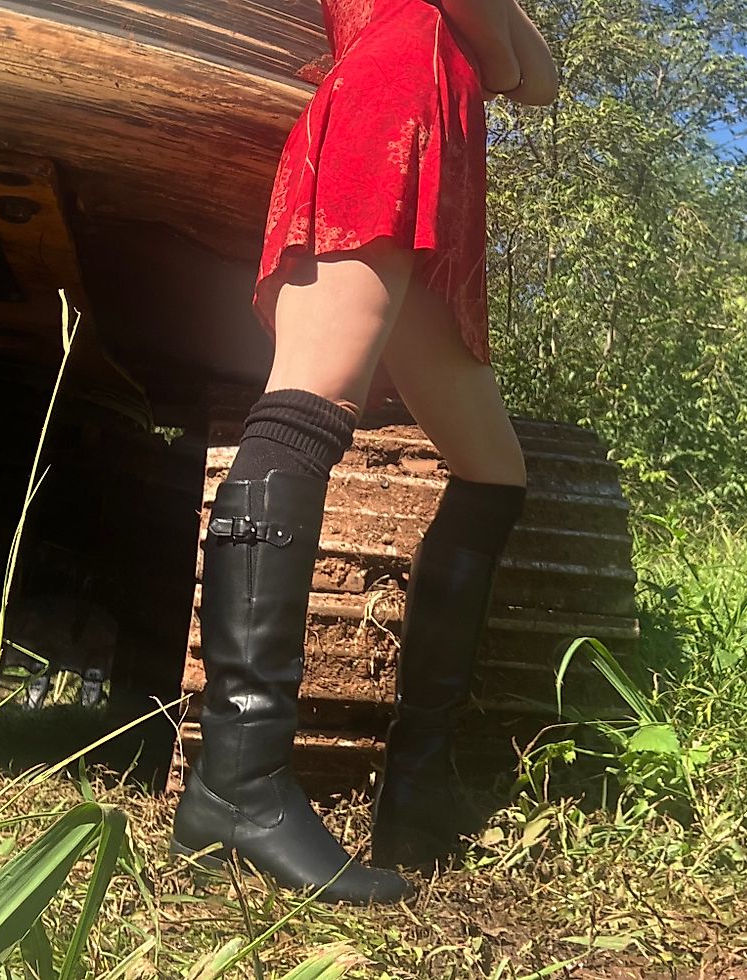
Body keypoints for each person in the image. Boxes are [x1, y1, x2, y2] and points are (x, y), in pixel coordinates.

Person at [171, 0, 557, 905]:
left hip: (436, 130)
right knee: (309, 399)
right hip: (391, 102)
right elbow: (509, 65)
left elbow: (536, 80)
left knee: (494, 471)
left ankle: (417, 784)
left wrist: (497, 43)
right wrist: (496, 47)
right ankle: (237, 783)